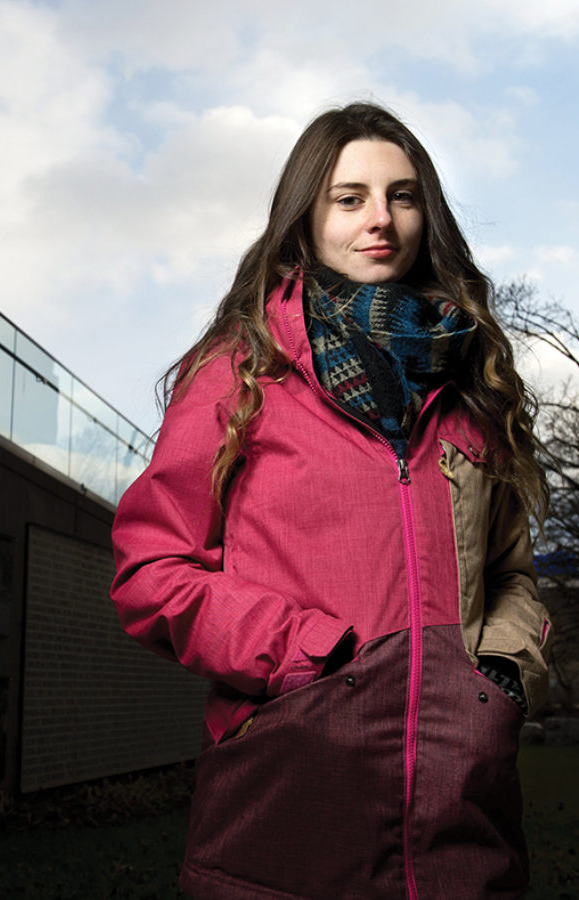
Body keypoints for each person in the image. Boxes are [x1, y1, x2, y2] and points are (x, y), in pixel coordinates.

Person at [110, 103, 551, 899]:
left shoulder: (475, 387)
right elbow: (150, 570)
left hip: (465, 831)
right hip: (287, 814)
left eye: (403, 196)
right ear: (305, 219)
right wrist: (308, 658)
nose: (379, 219)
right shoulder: (237, 374)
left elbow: (513, 576)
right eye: (349, 199)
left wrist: (499, 678)